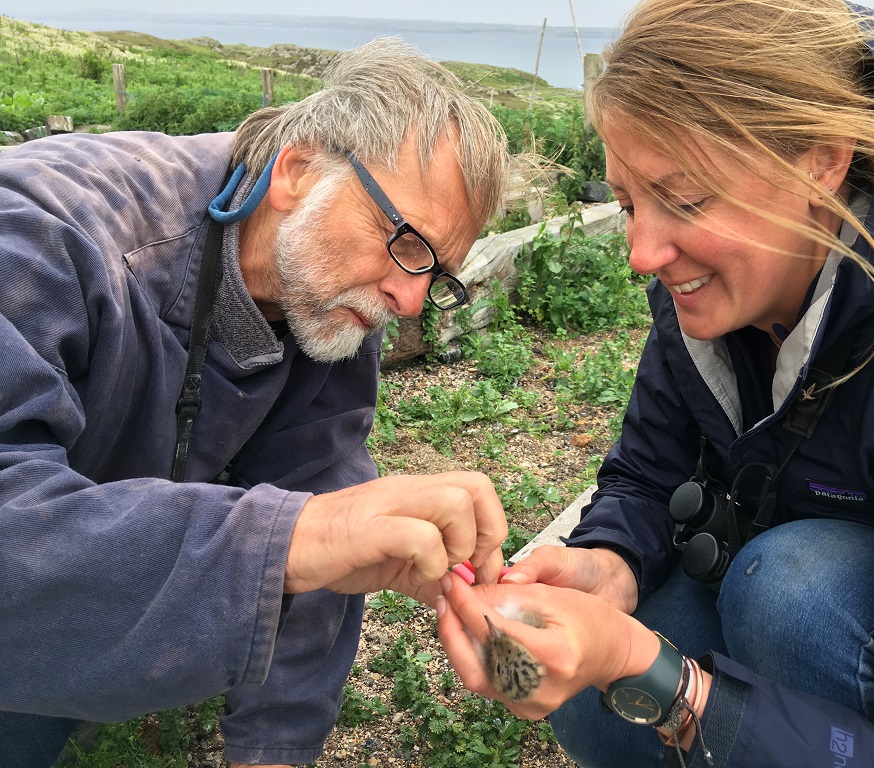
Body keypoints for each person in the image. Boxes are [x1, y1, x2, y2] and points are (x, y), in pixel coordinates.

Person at [437, 1, 874, 767]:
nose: (641, 253)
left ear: (820, 159)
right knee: (595, 698)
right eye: (625, 204)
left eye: (683, 200)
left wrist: (666, 685)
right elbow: (648, 473)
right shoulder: (714, 297)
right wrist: (607, 563)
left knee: (790, 592)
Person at [0, 37, 515, 768]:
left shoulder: (326, 293)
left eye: (436, 275)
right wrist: (293, 536)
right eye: (405, 241)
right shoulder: (41, 235)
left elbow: (327, 499)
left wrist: (275, 749)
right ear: (299, 171)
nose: (408, 302)